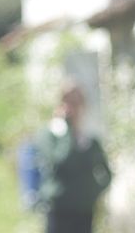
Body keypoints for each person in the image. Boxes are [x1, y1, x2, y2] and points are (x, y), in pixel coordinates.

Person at [34, 81, 112, 233]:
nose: (73, 107)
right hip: (59, 208)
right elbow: (59, 161)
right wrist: (69, 131)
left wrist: (92, 192)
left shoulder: (89, 139)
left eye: (76, 102)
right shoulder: (51, 134)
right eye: (68, 101)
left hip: (84, 209)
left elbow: (106, 173)